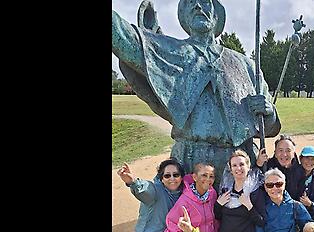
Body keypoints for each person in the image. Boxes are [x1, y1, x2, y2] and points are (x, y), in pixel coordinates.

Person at [112, 0, 282, 185]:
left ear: (217, 16)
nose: (198, 6)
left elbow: (269, 129)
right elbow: (122, 37)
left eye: (205, 3)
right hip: (190, 159)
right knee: (189, 212)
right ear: (184, 17)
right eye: (191, 3)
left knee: (240, 212)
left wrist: (269, 113)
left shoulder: (246, 65)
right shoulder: (169, 51)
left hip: (239, 163)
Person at [142, 162, 219, 232]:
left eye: (211, 176)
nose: (208, 179)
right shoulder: (184, 202)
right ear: (194, 177)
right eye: (204, 175)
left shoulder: (212, 194)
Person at [215, 150, 265, 232]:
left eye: (242, 164)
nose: (238, 168)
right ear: (230, 169)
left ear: (248, 166)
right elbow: (218, 216)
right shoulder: (226, 188)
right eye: (234, 165)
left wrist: (249, 206)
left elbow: (261, 221)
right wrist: (218, 204)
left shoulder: (255, 191)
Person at [256, 134, 304, 200]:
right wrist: (258, 165)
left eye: (288, 150)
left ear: (293, 153)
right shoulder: (267, 167)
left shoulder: (300, 171)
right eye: (280, 150)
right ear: (275, 153)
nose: (284, 154)